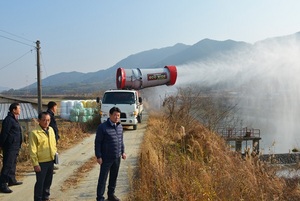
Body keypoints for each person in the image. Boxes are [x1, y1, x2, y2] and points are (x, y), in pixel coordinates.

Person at [95, 107, 126, 201]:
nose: (117, 117)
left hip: (117, 157)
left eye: (118, 115)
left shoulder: (120, 127)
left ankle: (111, 195)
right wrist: (98, 156)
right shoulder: (102, 127)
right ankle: (100, 198)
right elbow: (98, 142)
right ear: (110, 115)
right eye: (115, 115)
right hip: (106, 158)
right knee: (103, 179)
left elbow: (121, 141)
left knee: (114, 177)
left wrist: (123, 151)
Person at [29, 112, 57, 201]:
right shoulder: (34, 133)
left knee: (48, 181)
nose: (46, 122)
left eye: (48, 120)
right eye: (44, 120)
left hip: (50, 160)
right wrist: (35, 163)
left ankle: (46, 197)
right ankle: (38, 198)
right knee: (40, 183)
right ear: (39, 121)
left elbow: (53, 143)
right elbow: (32, 150)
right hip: (41, 162)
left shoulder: (51, 130)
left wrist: (55, 154)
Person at [0, 103, 23, 193]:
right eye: (19, 108)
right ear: (14, 110)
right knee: (7, 165)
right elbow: (4, 133)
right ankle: (2, 184)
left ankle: (11, 180)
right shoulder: (8, 120)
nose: (20, 110)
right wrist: (2, 145)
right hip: (10, 146)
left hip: (15, 145)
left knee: (13, 163)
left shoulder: (14, 119)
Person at [47, 101, 60, 172]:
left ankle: (52, 165)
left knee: (53, 151)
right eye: (56, 107)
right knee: (50, 152)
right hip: (50, 136)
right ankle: (50, 167)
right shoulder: (49, 115)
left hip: (53, 135)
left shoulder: (51, 114)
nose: (56, 108)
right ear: (53, 107)